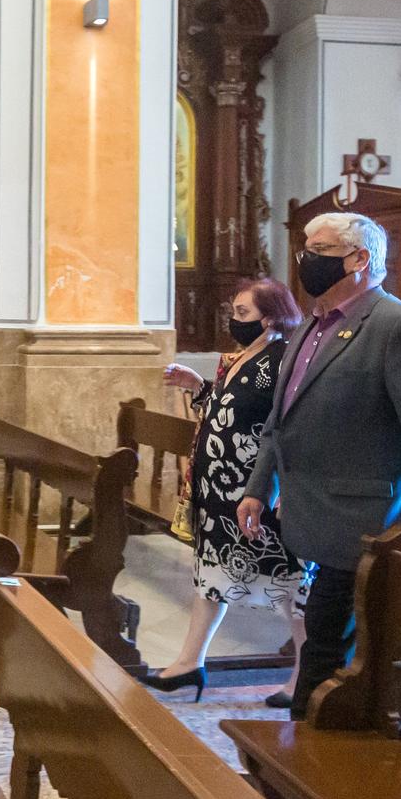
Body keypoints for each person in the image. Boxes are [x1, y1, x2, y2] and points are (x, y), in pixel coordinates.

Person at [238, 211, 401, 753]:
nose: (306, 260)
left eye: (319, 249)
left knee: (352, 661)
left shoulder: (400, 327)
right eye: (305, 248)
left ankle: (336, 762)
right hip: (319, 520)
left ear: (360, 259)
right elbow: (283, 419)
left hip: (371, 527)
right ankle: (318, 760)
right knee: (340, 656)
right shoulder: (310, 327)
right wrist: (260, 486)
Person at [148, 279, 311, 705]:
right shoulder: (239, 358)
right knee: (211, 576)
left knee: (288, 584)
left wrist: (276, 485)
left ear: (270, 317)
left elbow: (284, 426)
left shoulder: (283, 360)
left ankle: (304, 675)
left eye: (242, 313)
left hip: (255, 493)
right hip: (219, 492)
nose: (233, 321)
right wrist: (198, 388)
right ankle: (190, 662)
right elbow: (227, 412)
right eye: (234, 312)